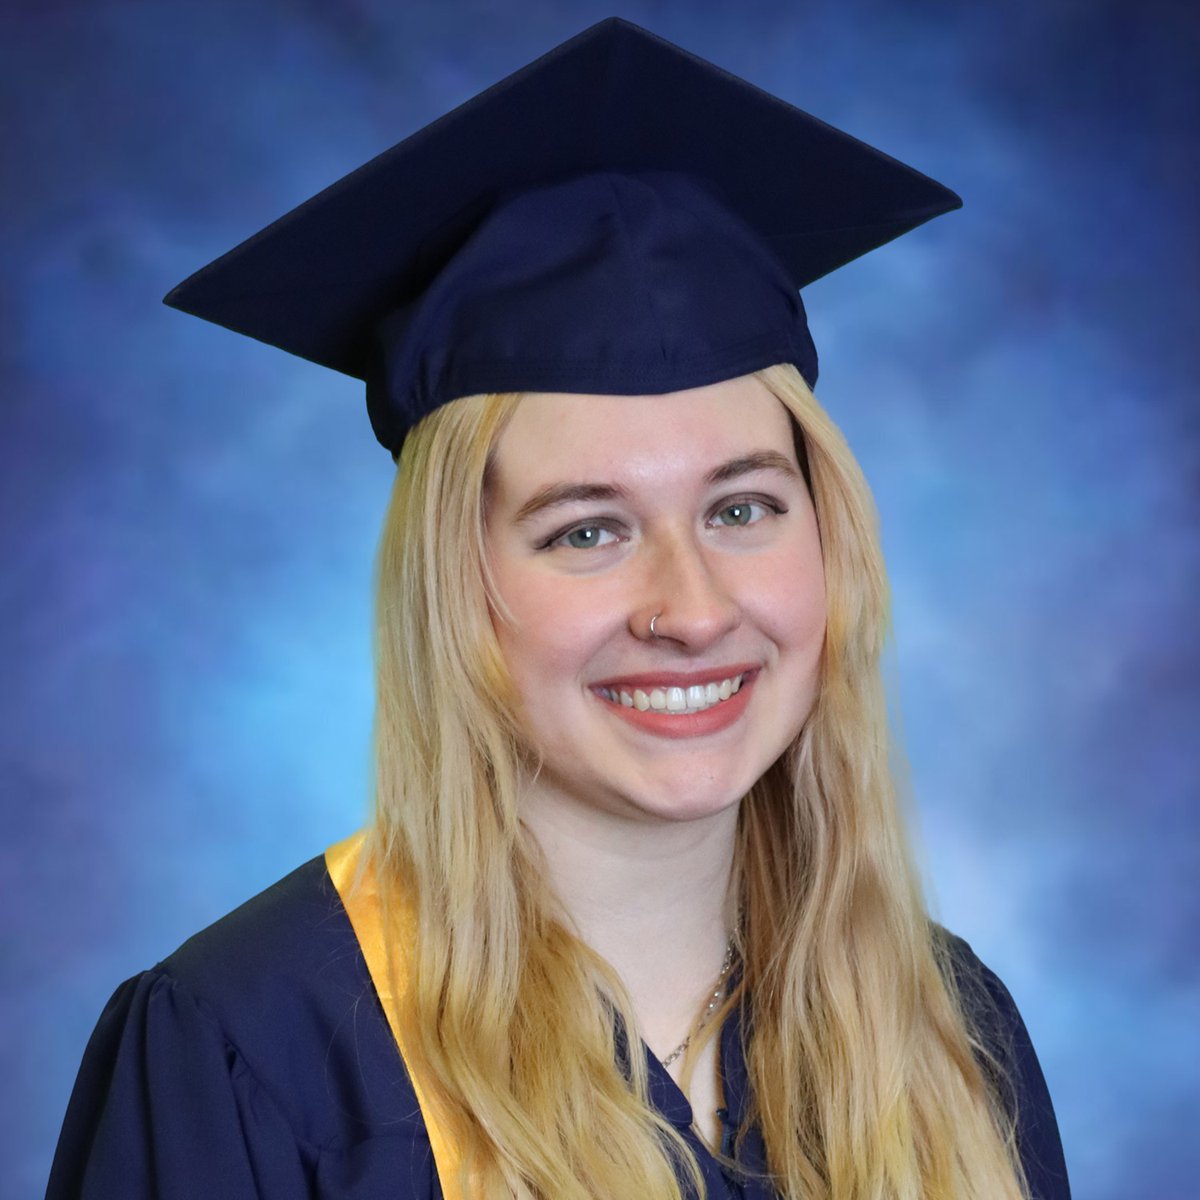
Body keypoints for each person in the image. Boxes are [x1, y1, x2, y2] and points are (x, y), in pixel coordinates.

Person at [46, 17, 1071, 1200]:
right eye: (587, 530)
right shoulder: (252, 1052)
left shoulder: (947, 1032)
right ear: (456, 583)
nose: (692, 610)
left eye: (742, 508)